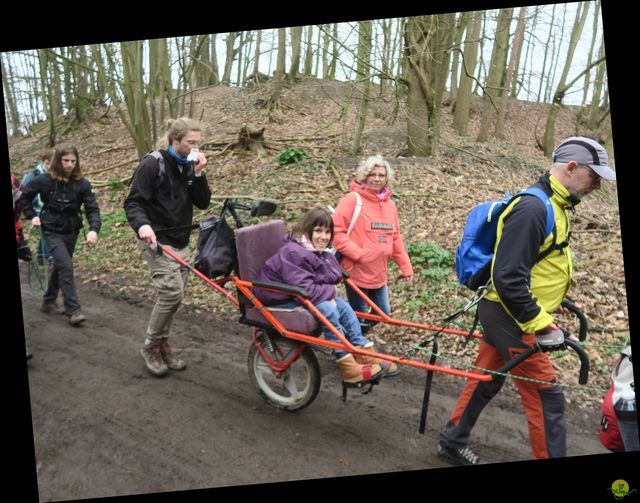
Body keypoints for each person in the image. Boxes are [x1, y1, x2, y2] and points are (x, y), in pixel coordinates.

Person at [437, 136, 617, 466]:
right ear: (572, 168)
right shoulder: (534, 209)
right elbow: (507, 278)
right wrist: (543, 323)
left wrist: (553, 302)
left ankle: (451, 440)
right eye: (595, 177)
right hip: (512, 317)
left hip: (510, 313)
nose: (597, 186)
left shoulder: (557, 205)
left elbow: (536, 265)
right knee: (546, 395)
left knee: (487, 379)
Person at [255, 207, 396, 387]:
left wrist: (330, 282)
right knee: (328, 309)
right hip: (279, 296)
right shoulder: (294, 252)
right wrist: (330, 289)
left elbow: (331, 275)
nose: (324, 236)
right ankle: (346, 365)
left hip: (300, 292)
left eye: (327, 232)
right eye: (319, 231)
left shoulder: (317, 251)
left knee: (344, 308)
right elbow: (305, 288)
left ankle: (362, 351)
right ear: (308, 231)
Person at [124, 117, 211, 377]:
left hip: (181, 239)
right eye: (190, 142)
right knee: (171, 293)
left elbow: (203, 203)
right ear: (175, 140)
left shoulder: (188, 164)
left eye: (198, 142)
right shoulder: (153, 163)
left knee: (175, 297)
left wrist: (198, 174)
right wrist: (143, 227)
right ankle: (151, 345)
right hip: (156, 240)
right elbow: (133, 203)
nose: (195, 147)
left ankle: (162, 343)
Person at [19, 144, 101, 326]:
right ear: (58, 160)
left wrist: (94, 229)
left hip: (71, 230)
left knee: (60, 266)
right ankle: (73, 310)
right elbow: (24, 197)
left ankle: (49, 300)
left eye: (73, 161)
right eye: (66, 161)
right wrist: (32, 216)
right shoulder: (43, 180)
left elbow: (92, 208)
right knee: (66, 266)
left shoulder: (83, 184)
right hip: (51, 229)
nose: (70, 164)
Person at [331, 155, 414, 323]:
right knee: (359, 314)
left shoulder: (390, 206)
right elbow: (335, 232)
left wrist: (406, 267)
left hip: (379, 273)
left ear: (386, 178)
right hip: (356, 272)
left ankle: (355, 337)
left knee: (383, 313)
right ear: (365, 177)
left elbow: (395, 238)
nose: (377, 179)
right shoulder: (352, 200)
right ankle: (350, 344)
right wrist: (358, 254)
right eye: (372, 175)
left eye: (381, 175)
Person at [21, 152, 54, 263]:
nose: (49, 166)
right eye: (47, 163)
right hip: (35, 207)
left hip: (47, 207)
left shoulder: (54, 174)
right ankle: (47, 255)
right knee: (48, 228)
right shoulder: (34, 174)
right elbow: (23, 191)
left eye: (51, 164)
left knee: (46, 229)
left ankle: (41, 254)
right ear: (43, 162)